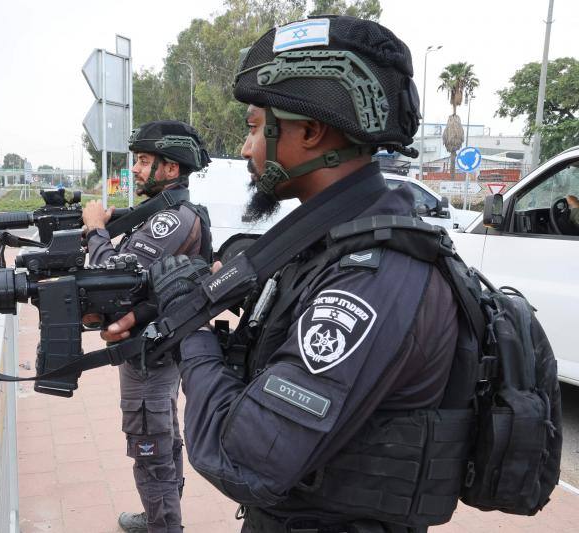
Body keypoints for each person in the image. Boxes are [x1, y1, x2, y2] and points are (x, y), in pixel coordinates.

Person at [105, 16, 474, 533]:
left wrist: (190, 331)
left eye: (255, 127)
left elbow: (242, 457)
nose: (246, 147)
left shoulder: (371, 277)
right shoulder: (326, 242)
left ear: (309, 131)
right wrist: (170, 302)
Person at [82, 120, 212, 533]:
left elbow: (114, 277)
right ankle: (162, 517)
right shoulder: (162, 212)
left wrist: (96, 230)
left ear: (171, 168)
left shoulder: (169, 220)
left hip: (150, 353)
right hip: (155, 346)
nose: (134, 170)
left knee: (149, 444)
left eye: (142, 161)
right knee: (162, 435)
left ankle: (163, 525)